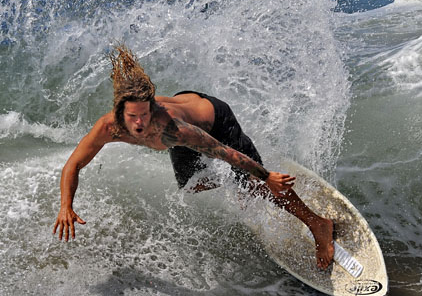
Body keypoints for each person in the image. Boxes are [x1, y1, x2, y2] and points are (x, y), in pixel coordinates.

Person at [53, 45, 334, 269]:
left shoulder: (175, 130)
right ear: (119, 113)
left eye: (144, 115)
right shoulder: (108, 128)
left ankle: (318, 224)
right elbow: (73, 164)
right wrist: (66, 205)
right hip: (186, 102)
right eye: (132, 116)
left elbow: (226, 153)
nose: (139, 123)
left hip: (214, 118)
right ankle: (239, 184)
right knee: (192, 185)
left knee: (257, 182)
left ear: (153, 110)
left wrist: (265, 175)